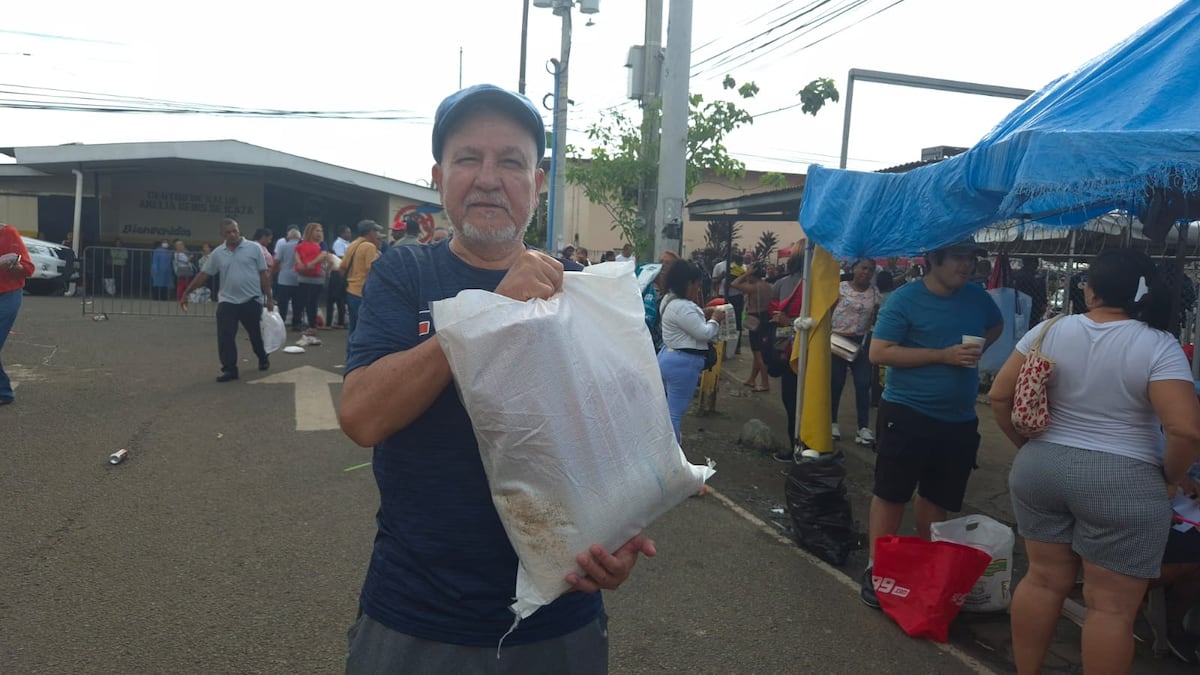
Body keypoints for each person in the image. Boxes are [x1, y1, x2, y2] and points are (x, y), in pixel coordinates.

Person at [338, 83, 653, 673]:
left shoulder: (578, 289)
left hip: (560, 617)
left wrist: (620, 540)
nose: (488, 178)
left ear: (537, 183)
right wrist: (488, 313)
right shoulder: (404, 274)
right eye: (468, 159)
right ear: (439, 178)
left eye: (510, 161)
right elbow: (362, 417)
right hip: (414, 616)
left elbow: (621, 442)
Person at [988, 248, 1200, 674]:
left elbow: (999, 396)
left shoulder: (1049, 329)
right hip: (1124, 480)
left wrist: (1027, 449)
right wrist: (1171, 478)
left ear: (1091, 291)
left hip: (1041, 468)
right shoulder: (1159, 345)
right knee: (1110, 608)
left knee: (1042, 580)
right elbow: (1185, 431)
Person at [861, 238, 1003, 608]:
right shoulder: (904, 300)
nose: (967, 265)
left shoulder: (978, 298)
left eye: (971, 259)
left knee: (938, 498)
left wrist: (979, 349)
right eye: (958, 258)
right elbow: (879, 352)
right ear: (933, 259)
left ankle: (929, 567)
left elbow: (996, 325)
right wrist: (943, 355)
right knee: (892, 493)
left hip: (958, 418)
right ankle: (877, 569)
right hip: (907, 412)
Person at [180, 218, 274, 382]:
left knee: (255, 334)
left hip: (251, 299)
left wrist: (269, 298)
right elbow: (204, 274)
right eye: (228, 232)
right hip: (228, 300)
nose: (232, 235)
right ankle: (230, 369)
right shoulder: (218, 253)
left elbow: (263, 274)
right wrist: (187, 292)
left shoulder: (254, 248)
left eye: (234, 231)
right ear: (222, 234)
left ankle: (262, 356)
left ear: (239, 230)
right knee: (225, 335)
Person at [657, 260, 725, 443]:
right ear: (689, 284)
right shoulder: (683, 306)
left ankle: (664, 448)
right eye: (697, 284)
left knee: (666, 411)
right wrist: (715, 319)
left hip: (668, 357)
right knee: (674, 414)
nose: (698, 289)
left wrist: (703, 312)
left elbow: (686, 322)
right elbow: (704, 333)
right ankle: (670, 452)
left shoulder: (669, 300)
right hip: (683, 364)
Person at [831, 257, 882, 445]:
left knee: (863, 383)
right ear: (854, 268)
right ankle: (832, 422)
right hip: (838, 339)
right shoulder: (840, 288)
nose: (866, 272)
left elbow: (876, 316)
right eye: (863, 268)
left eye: (870, 270)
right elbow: (829, 310)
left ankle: (863, 427)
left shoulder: (874, 293)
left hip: (862, 342)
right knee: (836, 382)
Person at [769, 251, 805, 455]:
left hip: (793, 350)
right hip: (801, 350)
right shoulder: (814, 286)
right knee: (795, 401)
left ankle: (796, 448)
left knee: (792, 401)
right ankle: (799, 447)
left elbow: (773, 307)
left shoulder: (783, 284)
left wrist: (787, 322)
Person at [0, 224, 34, 405]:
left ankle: (3, 391)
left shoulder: (8, 233)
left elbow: (28, 269)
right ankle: (3, 391)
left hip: (7, 294)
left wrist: (13, 265)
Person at [340, 219, 385, 351]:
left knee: (353, 328)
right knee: (365, 329)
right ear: (370, 232)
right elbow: (372, 269)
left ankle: (351, 356)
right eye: (375, 231)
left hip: (351, 290)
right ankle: (361, 357)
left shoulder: (352, 244)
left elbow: (342, 267)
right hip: (362, 292)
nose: (377, 234)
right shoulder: (369, 247)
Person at [731, 263, 773, 393]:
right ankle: (752, 379)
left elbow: (734, 283)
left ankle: (765, 382)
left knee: (758, 353)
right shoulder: (767, 286)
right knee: (758, 352)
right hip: (765, 317)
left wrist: (747, 273)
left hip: (755, 319)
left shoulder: (754, 287)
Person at [293, 222, 331, 334]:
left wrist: (312, 263)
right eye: (317, 230)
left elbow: (323, 254)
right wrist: (300, 263)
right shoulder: (301, 242)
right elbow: (297, 253)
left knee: (312, 302)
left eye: (321, 231)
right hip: (303, 276)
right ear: (310, 231)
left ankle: (312, 325)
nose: (319, 233)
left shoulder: (322, 244)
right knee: (300, 301)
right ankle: (297, 323)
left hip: (317, 278)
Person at [712, 254, 746, 354]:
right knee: (722, 320)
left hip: (737, 296)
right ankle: (721, 346)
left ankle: (736, 346)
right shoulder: (719, 266)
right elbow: (713, 281)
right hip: (723, 295)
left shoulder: (742, 266)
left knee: (737, 321)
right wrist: (721, 277)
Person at [274, 226, 302, 330]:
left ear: (288, 237)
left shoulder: (283, 246)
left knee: (283, 304)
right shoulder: (302, 247)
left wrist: (272, 274)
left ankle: (281, 323)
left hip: (284, 279)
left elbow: (276, 261)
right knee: (298, 304)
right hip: (298, 279)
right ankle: (297, 324)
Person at [324, 225, 352, 330]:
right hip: (339, 272)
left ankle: (333, 323)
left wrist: (326, 274)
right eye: (347, 232)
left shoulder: (347, 244)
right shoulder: (338, 243)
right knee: (337, 299)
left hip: (339, 274)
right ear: (342, 233)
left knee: (336, 299)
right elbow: (341, 258)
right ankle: (336, 322)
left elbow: (332, 262)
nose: (349, 234)